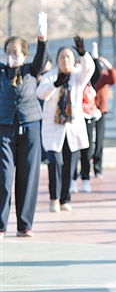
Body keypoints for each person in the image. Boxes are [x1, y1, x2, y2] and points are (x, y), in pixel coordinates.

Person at [0, 13, 48, 238]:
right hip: (4, 127)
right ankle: (1, 225)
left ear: (25, 55)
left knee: (28, 176)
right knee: (4, 175)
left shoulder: (31, 70)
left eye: (16, 52)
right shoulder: (1, 72)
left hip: (30, 126)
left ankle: (24, 224)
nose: (12, 56)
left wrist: (42, 38)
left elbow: (42, 58)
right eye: (8, 52)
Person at [37, 36, 95, 213]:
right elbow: (40, 93)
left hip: (72, 129)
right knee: (55, 163)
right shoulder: (50, 76)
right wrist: (55, 85)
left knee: (69, 167)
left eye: (69, 57)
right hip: (53, 129)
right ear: (57, 60)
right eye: (62, 57)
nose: (65, 60)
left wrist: (83, 54)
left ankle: (64, 199)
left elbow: (89, 69)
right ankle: (53, 198)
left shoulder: (77, 76)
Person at [90, 44, 116, 180]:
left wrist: (108, 65)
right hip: (87, 112)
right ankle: (85, 168)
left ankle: (97, 168)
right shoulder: (86, 77)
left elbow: (114, 78)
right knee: (87, 142)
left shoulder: (103, 76)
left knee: (99, 141)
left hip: (100, 111)